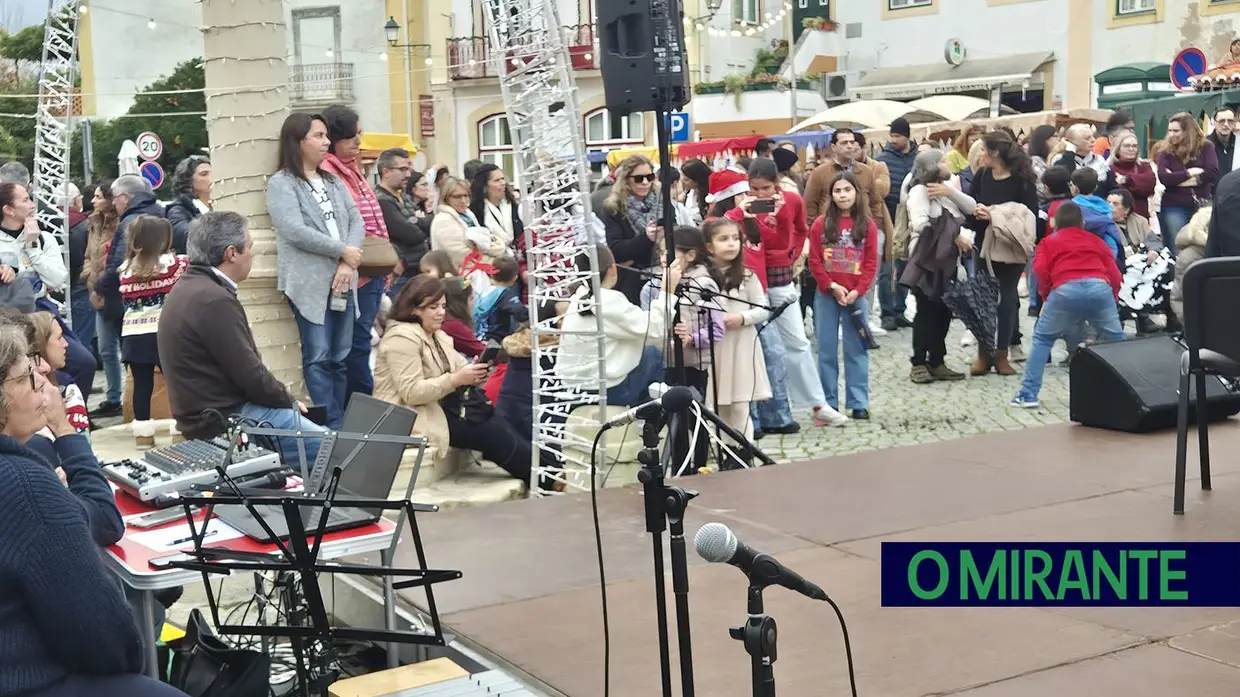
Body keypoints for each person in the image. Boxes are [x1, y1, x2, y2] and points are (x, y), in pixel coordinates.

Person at [0, 323, 189, 697]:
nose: (43, 381)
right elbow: (106, 641)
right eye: (26, 376)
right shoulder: (24, 484)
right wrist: (64, 427)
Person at [158, 211, 326, 466]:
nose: (253, 255)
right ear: (231, 253)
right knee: (339, 452)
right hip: (227, 418)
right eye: (250, 247)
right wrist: (288, 401)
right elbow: (250, 374)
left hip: (208, 414)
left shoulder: (189, 288)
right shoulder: (213, 299)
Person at [373, 274, 559, 489]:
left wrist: (477, 371)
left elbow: (459, 366)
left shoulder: (437, 334)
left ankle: (549, 472)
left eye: (443, 306)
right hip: (410, 415)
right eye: (433, 307)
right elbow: (412, 392)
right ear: (414, 309)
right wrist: (455, 379)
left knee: (495, 421)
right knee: (489, 431)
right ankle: (549, 480)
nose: (442, 312)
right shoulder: (401, 339)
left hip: (441, 405)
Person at [729, 158, 847, 427]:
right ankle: (768, 410)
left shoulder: (791, 201)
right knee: (761, 348)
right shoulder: (740, 203)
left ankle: (818, 403)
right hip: (750, 280)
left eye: (765, 189)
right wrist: (744, 214)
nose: (760, 194)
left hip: (779, 277)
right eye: (754, 188)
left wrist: (790, 251)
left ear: (776, 184)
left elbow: (793, 234)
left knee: (797, 341)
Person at [266, 112, 365, 430]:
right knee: (319, 356)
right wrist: (342, 251)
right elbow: (293, 229)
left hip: (344, 279)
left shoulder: (333, 181)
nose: (326, 142)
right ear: (298, 141)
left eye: (326, 136)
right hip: (308, 282)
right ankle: (331, 425)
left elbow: (356, 220)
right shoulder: (282, 183)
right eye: (319, 136)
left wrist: (347, 261)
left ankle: (340, 421)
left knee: (340, 357)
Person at [1011, 203, 1124, 409]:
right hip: (1099, 286)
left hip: (1064, 289)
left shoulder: (1047, 243)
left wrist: (1046, 298)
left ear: (1055, 225)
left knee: (1043, 339)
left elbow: (1040, 272)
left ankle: (1028, 394)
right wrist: (1112, 297)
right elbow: (1114, 273)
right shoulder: (1096, 241)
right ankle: (1130, 391)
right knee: (1117, 340)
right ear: (1082, 223)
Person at [675, 219, 770, 447]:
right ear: (708, 246)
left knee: (739, 404)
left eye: (736, 239)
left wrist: (742, 318)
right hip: (715, 347)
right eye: (724, 239)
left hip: (740, 344)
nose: (731, 244)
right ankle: (727, 449)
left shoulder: (746, 276)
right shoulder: (703, 277)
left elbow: (763, 308)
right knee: (718, 406)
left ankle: (745, 450)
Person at [556, 245, 678, 407]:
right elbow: (656, 330)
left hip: (573, 389)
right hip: (605, 390)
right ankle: (648, 416)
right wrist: (667, 291)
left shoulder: (578, 296)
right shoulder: (606, 300)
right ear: (613, 269)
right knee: (653, 354)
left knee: (647, 352)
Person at [900, 149, 976, 383]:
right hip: (927, 261)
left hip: (948, 262)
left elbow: (971, 207)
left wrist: (950, 191)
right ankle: (919, 362)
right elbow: (922, 223)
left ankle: (937, 360)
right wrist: (954, 236)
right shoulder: (919, 191)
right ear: (932, 166)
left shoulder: (944, 190)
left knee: (943, 313)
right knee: (926, 312)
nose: (948, 162)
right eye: (942, 160)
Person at [967, 131, 1039, 374]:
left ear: (995, 153)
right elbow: (970, 205)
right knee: (984, 299)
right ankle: (983, 353)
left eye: (984, 149)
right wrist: (975, 215)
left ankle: (1002, 353)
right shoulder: (982, 175)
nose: (981, 153)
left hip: (1011, 245)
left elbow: (1029, 215)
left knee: (1007, 300)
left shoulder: (1022, 179)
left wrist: (996, 214)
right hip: (984, 243)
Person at [808, 172, 879, 419]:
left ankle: (858, 401)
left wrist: (858, 290)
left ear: (857, 193)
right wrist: (831, 286)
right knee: (826, 350)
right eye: (837, 191)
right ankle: (829, 403)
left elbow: (870, 262)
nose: (842, 195)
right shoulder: (820, 224)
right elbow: (815, 261)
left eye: (847, 190)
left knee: (856, 349)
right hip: (827, 294)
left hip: (855, 296)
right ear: (831, 195)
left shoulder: (867, 225)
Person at [117, 216, 188, 448]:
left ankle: (143, 434)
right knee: (176, 382)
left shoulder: (125, 269)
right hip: (164, 333)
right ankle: (179, 427)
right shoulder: (175, 265)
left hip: (133, 335)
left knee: (142, 384)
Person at [95, 175, 163, 407]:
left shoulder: (130, 222)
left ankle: (141, 426)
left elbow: (116, 266)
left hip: (135, 322)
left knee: (140, 380)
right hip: (164, 322)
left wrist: (98, 286)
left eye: (115, 198)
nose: (113, 203)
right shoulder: (160, 212)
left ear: (125, 197)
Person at [598, 155, 661, 306]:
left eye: (649, 177)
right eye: (639, 178)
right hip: (633, 279)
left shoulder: (662, 202)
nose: (645, 182)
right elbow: (616, 249)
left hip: (662, 275)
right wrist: (646, 238)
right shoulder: (614, 207)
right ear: (626, 180)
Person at [1157, 112, 1219, 259]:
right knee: (1176, 248)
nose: (1171, 134)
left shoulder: (1206, 147)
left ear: (1188, 131)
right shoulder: (1166, 152)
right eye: (1170, 130)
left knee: (1205, 246)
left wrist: (1177, 179)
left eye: (1176, 130)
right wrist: (1189, 172)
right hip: (1173, 206)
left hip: (1201, 204)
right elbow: (1164, 178)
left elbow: (1212, 173)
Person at [82, 180, 120, 412]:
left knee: (126, 348)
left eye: (98, 196)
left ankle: (127, 394)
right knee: (106, 348)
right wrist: (88, 275)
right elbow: (89, 254)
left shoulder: (120, 223)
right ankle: (113, 397)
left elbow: (116, 259)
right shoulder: (93, 222)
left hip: (115, 292)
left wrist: (102, 285)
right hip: (97, 290)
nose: (93, 201)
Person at [374, 148, 429, 299]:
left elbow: (429, 223)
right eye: (403, 169)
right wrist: (420, 222)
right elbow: (412, 235)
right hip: (400, 275)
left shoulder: (404, 196)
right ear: (386, 171)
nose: (408, 175)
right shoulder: (381, 200)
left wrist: (418, 222)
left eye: (409, 169)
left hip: (416, 271)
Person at [473, 254, 528, 343]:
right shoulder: (504, 295)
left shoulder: (485, 292)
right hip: (495, 340)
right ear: (515, 278)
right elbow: (518, 309)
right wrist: (525, 320)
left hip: (479, 335)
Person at [162, 155, 211, 253]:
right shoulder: (178, 210)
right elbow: (186, 236)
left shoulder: (221, 204)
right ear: (189, 181)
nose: (212, 177)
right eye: (204, 174)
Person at [1103, 131, 1156, 220]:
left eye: (1134, 146)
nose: (1131, 149)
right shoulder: (1109, 168)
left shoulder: (1144, 166)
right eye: (1127, 146)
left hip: (1141, 219)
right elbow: (1115, 194)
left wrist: (1126, 180)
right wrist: (1136, 185)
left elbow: (1149, 186)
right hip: (1116, 219)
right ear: (1118, 148)